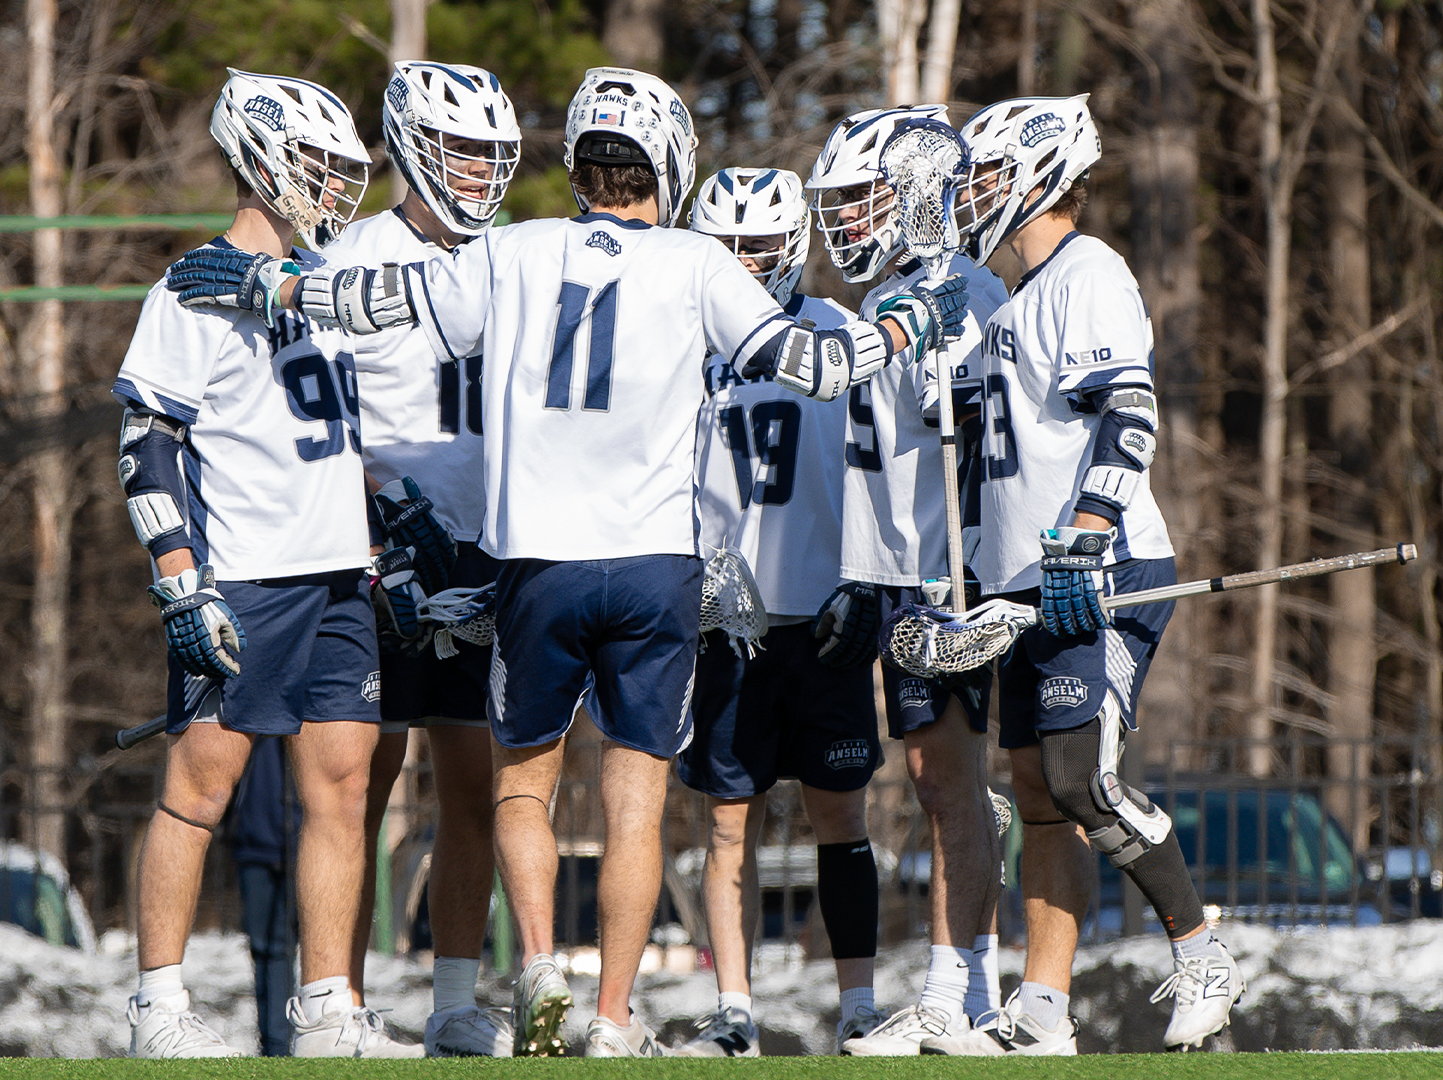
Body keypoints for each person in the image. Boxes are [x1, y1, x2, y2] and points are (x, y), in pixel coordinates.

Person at [163, 65, 966, 1059]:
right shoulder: (695, 263)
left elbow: (380, 306)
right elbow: (814, 365)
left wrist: (267, 281)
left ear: (577, 161)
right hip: (653, 567)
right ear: (666, 163)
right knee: (632, 803)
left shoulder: (515, 251)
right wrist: (907, 321)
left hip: (537, 562)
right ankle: (614, 1018)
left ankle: (539, 960)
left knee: (520, 789)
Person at [919, 94, 1242, 1056]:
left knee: (1080, 779)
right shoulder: (1009, 300)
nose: (970, 193)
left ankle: (1200, 951)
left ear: (1039, 173)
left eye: (983, 174)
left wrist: (1089, 530)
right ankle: (1043, 1010)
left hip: (1098, 569)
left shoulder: (1088, 270)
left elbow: (1128, 414)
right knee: (1039, 791)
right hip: (1023, 579)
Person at [116, 68, 420, 1060]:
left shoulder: (319, 287)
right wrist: (179, 575)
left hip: (341, 573)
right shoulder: (192, 282)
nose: (336, 187)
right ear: (260, 160)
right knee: (198, 788)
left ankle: (328, 1007)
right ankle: (159, 1005)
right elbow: (147, 437)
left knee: (340, 787)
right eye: (319, 167)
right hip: (246, 570)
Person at [802, 105, 1014, 1057]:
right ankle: (975, 984)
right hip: (898, 573)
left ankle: (958, 989)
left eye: (860, 200)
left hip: (951, 572)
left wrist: (959, 571)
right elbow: (875, 458)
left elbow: (982, 440)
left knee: (948, 781)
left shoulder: (967, 292)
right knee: (943, 785)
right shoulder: (884, 299)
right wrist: (858, 574)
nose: (844, 223)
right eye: (836, 204)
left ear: (914, 192)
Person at [322, 60, 521, 1060]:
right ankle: (341, 999)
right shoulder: (355, 254)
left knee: (474, 783)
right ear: (409, 145)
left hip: (483, 548)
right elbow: (313, 405)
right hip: (380, 555)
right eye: (463, 151)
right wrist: (370, 514)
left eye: (494, 154)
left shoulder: (510, 258)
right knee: (357, 780)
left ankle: (451, 1000)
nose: (481, 172)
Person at [671, 167, 884, 1059]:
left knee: (842, 816)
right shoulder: (687, 339)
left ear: (796, 242)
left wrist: (869, 580)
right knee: (728, 822)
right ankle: (735, 1012)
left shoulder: (841, 333)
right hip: (729, 619)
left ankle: (860, 1005)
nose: (747, 265)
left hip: (823, 614)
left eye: (761, 245)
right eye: (728, 249)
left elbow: (883, 469)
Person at [228, 737, 298, 1056]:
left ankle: (283, 1042)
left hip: (300, 844)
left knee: (285, 947)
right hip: (254, 840)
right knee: (263, 948)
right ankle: (271, 1043)